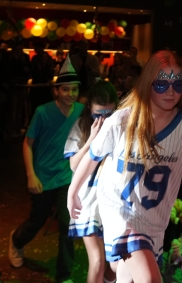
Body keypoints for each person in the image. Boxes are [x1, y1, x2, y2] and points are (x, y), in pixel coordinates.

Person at [67, 51, 182, 283]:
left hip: (154, 222)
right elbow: (92, 157)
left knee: (127, 277)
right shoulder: (121, 120)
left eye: (177, 84)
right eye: (162, 84)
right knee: (150, 279)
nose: (171, 91)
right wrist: (72, 191)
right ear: (147, 83)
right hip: (119, 213)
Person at [8, 57, 83, 283]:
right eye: (66, 89)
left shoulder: (81, 110)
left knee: (68, 225)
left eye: (74, 89)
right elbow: (27, 144)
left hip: (67, 175)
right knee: (37, 220)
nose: (71, 94)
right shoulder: (43, 112)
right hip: (43, 175)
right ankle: (17, 240)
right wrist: (31, 175)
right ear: (56, 91)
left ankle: (64, 275)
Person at [64, 80, 119, 283]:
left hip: (114, 200)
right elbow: (73, 165)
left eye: (108, 114)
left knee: (116, 264)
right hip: (87, 199)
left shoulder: (121, 125)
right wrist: (91, 140)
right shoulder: (82, 125)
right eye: (98, 114)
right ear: (89, 107)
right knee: (97, 261)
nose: (103, 119)